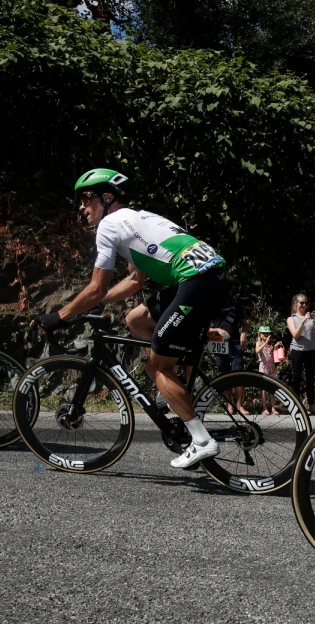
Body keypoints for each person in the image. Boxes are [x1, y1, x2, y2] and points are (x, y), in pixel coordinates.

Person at [31, 169, 228, 469]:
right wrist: (96, 304)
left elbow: (96, 287)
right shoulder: (139, 219)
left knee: (155, 367)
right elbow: (135, 282)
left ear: (107, 197)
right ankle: (172, 384)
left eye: (86, 198)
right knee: (136, 319)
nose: (81, 207)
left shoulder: (109, 225)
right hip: (208, 278)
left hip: (195, 282)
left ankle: (201, 440)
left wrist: (59, 316)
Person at [286, 292, 315, 414]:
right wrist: (303, 321)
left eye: (306, 303)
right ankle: (297, 406)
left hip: (310, 351)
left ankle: (311, 405)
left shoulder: (311, 318)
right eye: (301, 303)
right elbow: (296, 335)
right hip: (297, 351)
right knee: (297, 378)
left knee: (310, 379)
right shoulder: (291, 319)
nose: (304, 305)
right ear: (295, 304)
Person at [212, 304, 250, 414]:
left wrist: (243, 333)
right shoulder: (212, 306)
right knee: (223, 374)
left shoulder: (235, 306)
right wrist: (217, 330)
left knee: (238, 374)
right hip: (218, 341)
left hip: (235, 343)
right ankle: (229, 404)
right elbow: (204, 328)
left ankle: (239, 405)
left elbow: (245, 323)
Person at [254, 325, 280, 414]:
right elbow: (257, 351)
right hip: (263, 367)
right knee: (263, 388)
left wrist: (275, 347)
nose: (266, 335)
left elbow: (271, 353)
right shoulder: (258, 343)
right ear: (260, 334)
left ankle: (273, 408)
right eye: (264, 334)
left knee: (272, 388)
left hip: (271, 367)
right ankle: (264, 408)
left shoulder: (270, 344)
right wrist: (265, 343)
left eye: (267, 333)